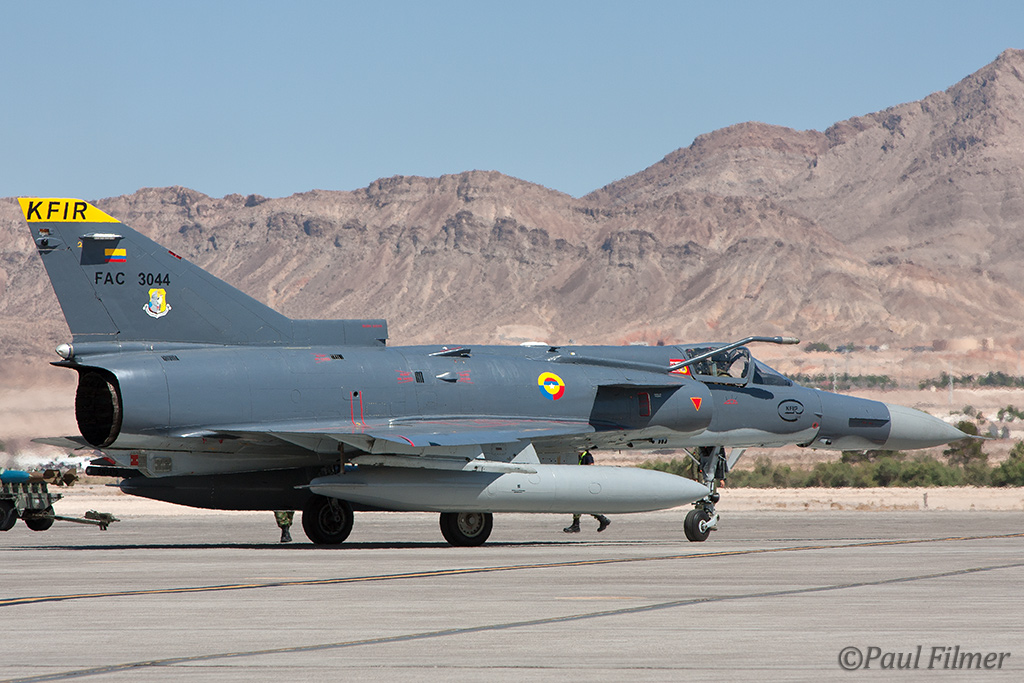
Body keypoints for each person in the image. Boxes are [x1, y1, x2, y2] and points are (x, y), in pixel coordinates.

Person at [563, 449, 611, 533]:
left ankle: (601, 519)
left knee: (582, 504)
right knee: (579, 504)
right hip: (580, 483)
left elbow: (591, 468)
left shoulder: (587, 456)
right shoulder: (579, 456)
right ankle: (578, 524)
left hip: (585, 484)